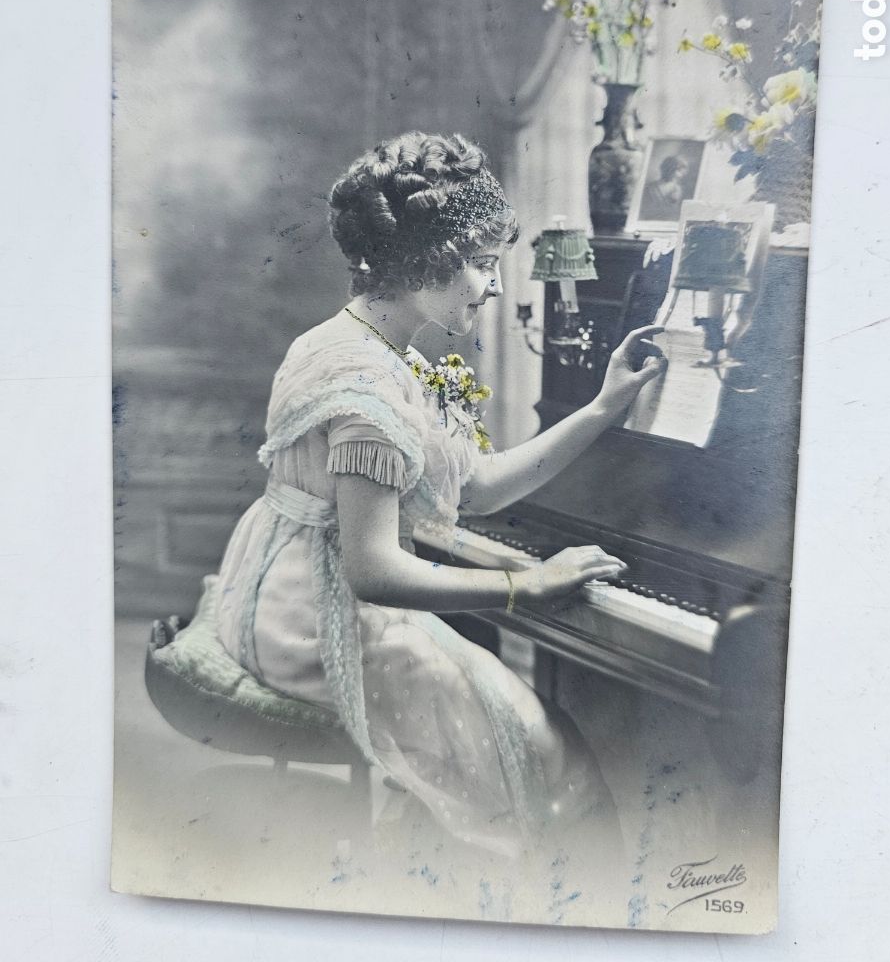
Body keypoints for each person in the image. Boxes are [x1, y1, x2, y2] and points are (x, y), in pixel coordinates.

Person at [214, 130, 665, 877]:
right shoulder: (363, 386)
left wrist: (601, 408)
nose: (492, 286)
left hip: (291, 583)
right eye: (484, 265)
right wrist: (527, 585)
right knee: (546, 754)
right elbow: (373, 569)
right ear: (430, 260)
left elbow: (480, 485)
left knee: (521, 739)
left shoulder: (375, 347)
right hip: (311, 620)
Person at [640, 152, 690, 222]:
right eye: (675, 169)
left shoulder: (678, 189)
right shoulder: (650, 188)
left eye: (680, 171)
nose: (678, 174)